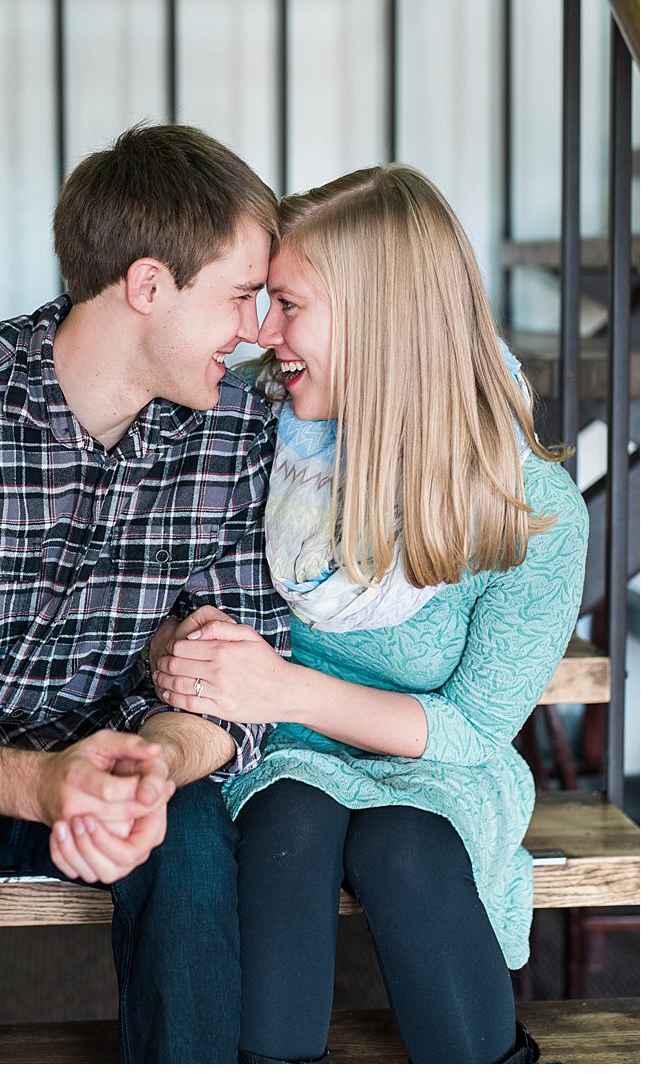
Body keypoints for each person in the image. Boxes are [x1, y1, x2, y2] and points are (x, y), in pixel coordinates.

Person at [0, 123, 289, 1063]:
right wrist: (40, 782)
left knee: (196, 860)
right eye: (242, 296)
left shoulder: (238, 430)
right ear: (149, 286)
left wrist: (155, 764)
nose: (259, 331)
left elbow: (240, 668)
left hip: (126, 751)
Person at [149, 165, 587, 1064]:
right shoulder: (267, 440)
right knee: (291, 822)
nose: (262, 334)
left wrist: (284, 687)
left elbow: (469, 729)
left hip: (438, 756)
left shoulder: (530, 512)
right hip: (288, 747)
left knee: (404, 844)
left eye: (288, 304)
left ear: (379, 321)